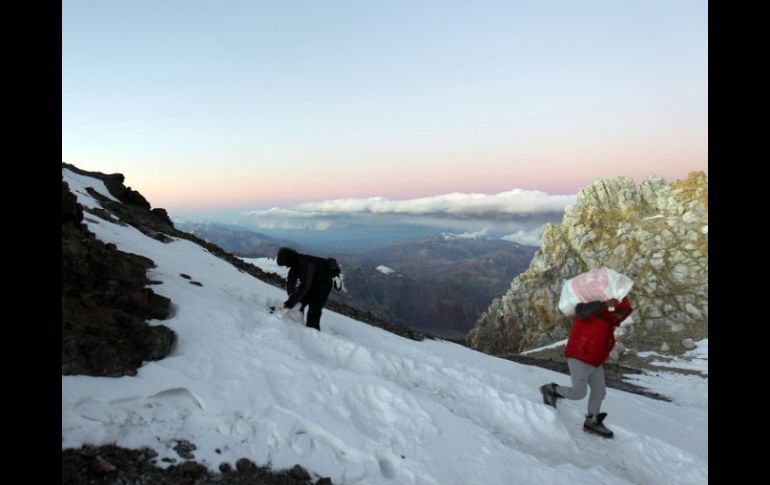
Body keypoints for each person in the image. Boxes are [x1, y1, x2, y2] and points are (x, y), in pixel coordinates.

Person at [539, 296, 633, 438]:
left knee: (599, 391)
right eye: (620, 311)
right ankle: (550, 390)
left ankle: (592, 421)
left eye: (622, 313)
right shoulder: (593, 310)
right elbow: (581, 311)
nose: (620, 316)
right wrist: (604, 304)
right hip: (579, 356)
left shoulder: (609, 321)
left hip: (595, 361)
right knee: (578, 393)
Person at [275, 247, 335, 331]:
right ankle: (298, 327)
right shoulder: (295, 263)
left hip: (323, 287)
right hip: (312, 285)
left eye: (285, 264)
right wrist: (290, 292)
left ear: (289, 260)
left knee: (313, 311)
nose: (286, 266)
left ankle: (314, 333)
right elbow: (291, 280)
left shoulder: (306, 264)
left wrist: (288, 303)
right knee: (299, 305)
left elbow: (305, 286)